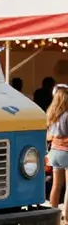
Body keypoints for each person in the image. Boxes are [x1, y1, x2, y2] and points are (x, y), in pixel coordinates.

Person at [47, 84, 68, 214]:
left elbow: (48, 136)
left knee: (56, 185)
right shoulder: (67, 115)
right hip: (66, 152)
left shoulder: (51, 114)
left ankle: (53, 214)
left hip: (54, 152)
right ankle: (66, 217)